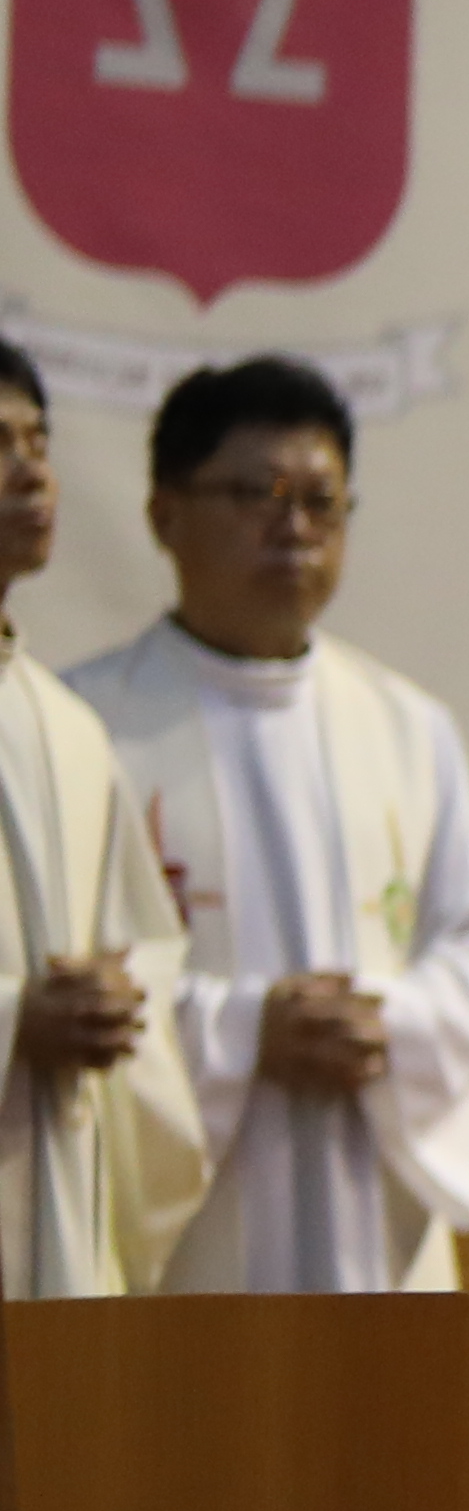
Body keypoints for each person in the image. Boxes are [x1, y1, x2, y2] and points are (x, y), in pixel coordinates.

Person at [74, 356, 469, 1293]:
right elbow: (61, 973)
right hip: (184, 1221)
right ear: (164, 514)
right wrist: (242, 1032)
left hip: (370, 1193)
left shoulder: (407, 725)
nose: (295, 525)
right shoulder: (89, 726)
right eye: (255, 493)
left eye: (322, 500)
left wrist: (386, 1022)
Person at [0, 342, 196, 1296]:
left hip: (51, 1180)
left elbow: (143, 949)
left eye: (38, 439)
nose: (31, 470)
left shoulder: (69, 728)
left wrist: (115, 999)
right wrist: (12, 1022)